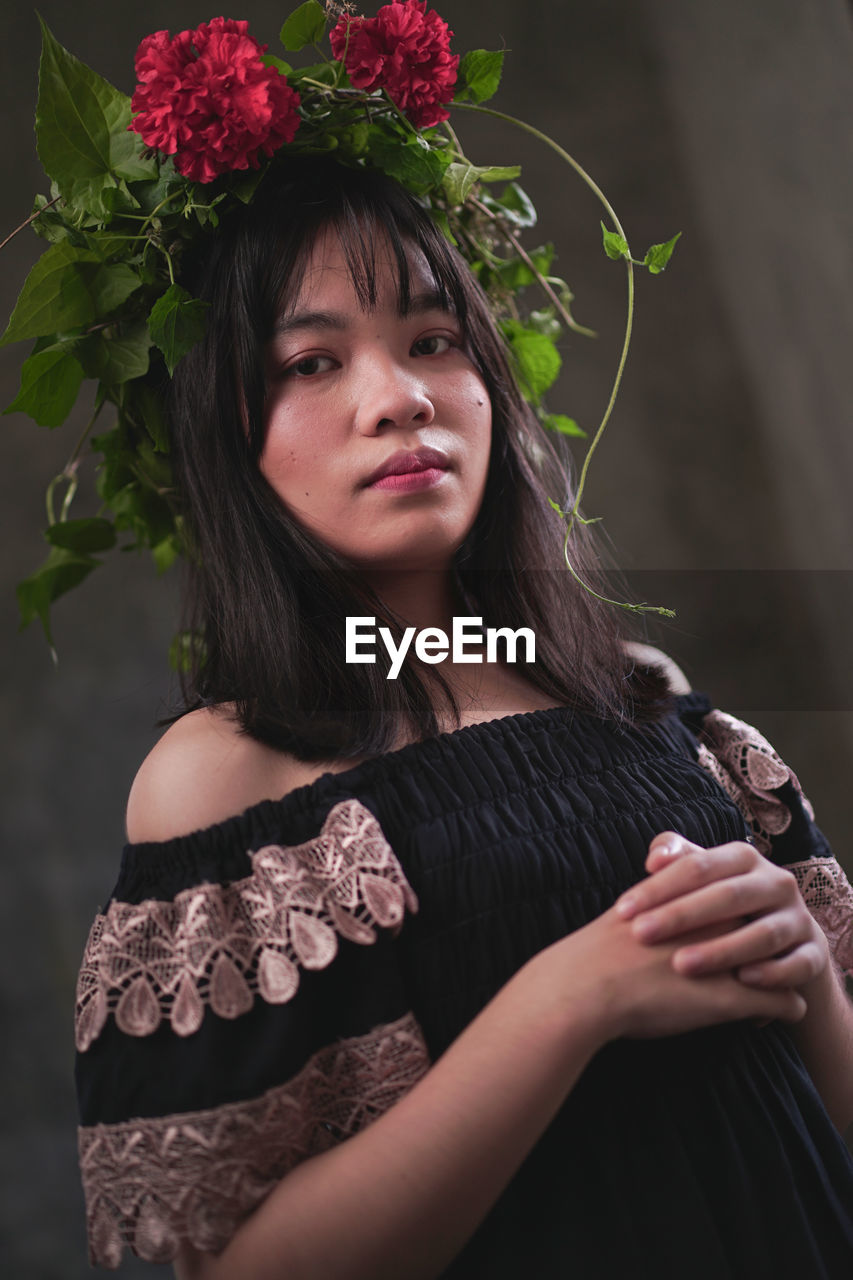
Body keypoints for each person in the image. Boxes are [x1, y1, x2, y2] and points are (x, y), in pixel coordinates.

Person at [8, 7, 848, 1278]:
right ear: (222, 438)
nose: (397, 394)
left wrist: (811, 978)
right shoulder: (228, 778)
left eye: (432, 340)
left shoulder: (642, 697)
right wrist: (570, 1002)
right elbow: (228, 1264)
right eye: (310, 361)